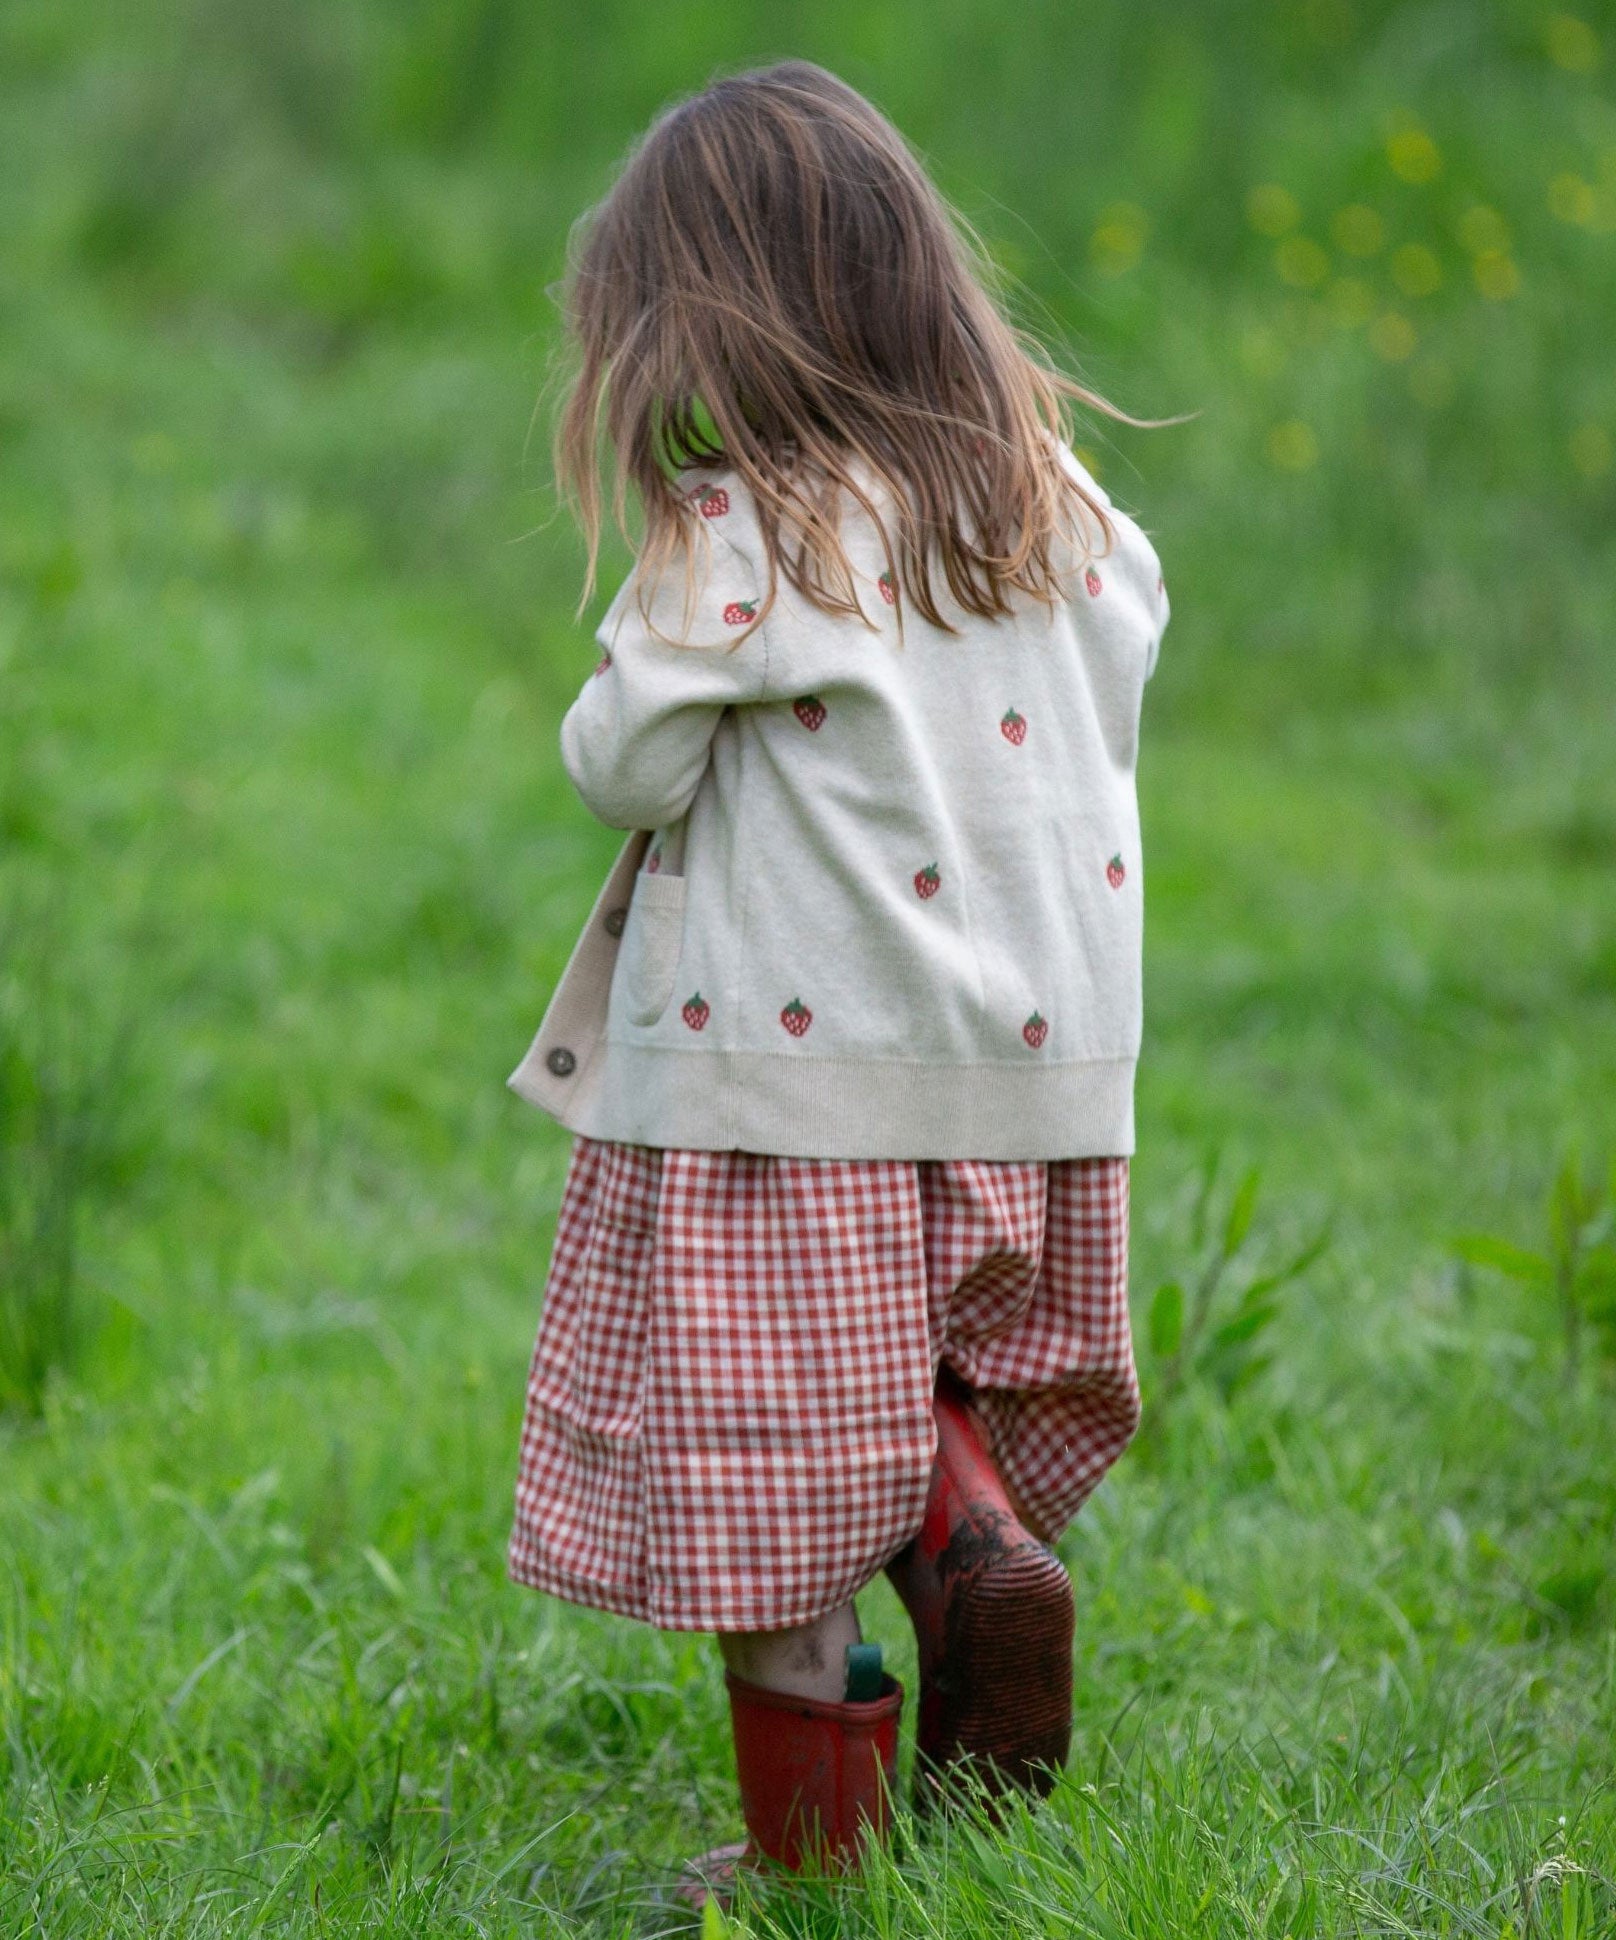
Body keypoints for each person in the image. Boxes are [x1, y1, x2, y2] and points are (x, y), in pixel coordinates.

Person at [504, 59, 1170, 1913]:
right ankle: (971, 1544)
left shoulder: (745, 529)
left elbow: (621, 767)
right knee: (916, 1360)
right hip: (1038, 1071)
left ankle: (814, 1861)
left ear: (703, 319)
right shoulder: (1064, 507)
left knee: (769, 1452)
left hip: (789, 1095)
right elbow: (1125, 666)